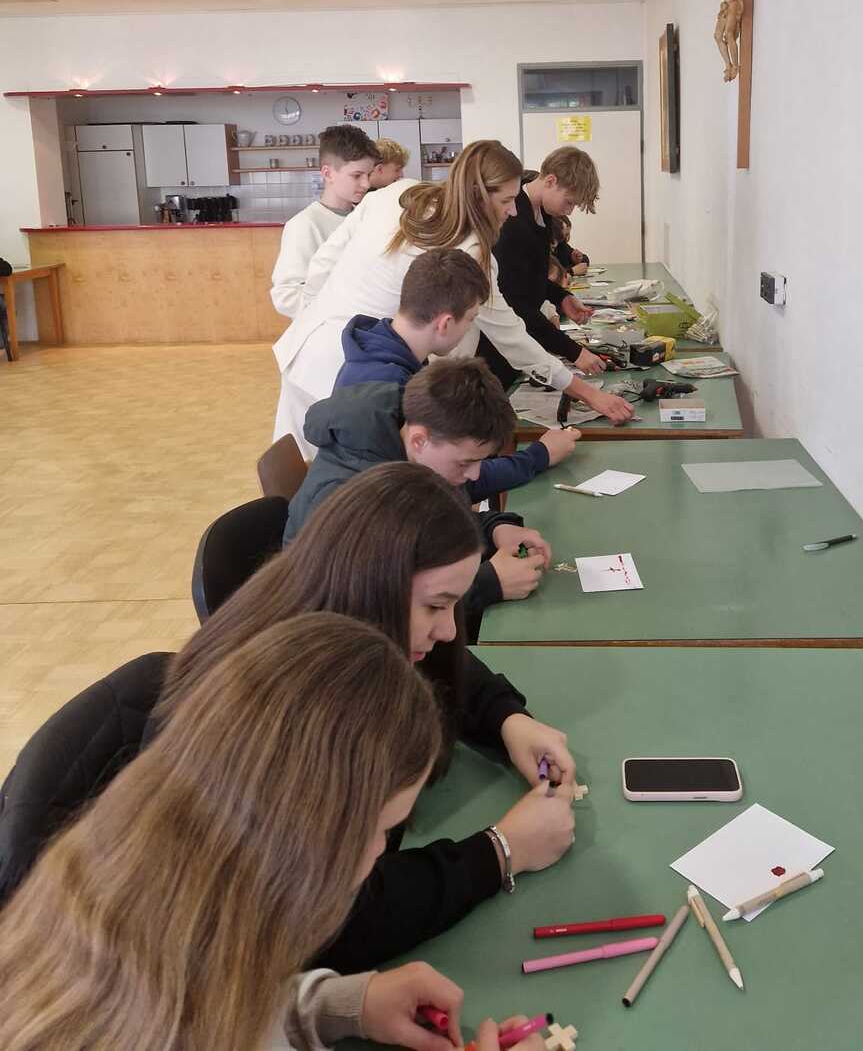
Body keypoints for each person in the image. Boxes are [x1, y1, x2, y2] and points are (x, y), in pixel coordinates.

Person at [0, 609, 548, 1051]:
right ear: (313, 840)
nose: (383, 851)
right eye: (384, 829)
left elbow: (231, 999)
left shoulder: (171, 901)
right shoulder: (147, 1025)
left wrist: (341, 1006)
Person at [156, 465, 578, 976]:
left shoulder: (342, 606)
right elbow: (333, 919)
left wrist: (508, 720)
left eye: (455, 603)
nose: (449, 629)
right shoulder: (295, 709)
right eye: (436, 606)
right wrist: (502, 850)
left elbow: (444, 663)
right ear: (375, 585)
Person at [272, 140, 633, 455]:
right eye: (507, 200)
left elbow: (324, 263)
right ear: (479, 195)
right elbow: (512, 336)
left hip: (309, 350)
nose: (512, 211)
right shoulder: (471, 250)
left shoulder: (400, 192)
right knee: (342, 494)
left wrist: (314, 314)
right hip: (354, 379)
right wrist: (588, 393)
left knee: (302, 486)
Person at [285, 360, 564, 630]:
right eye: (465, 463)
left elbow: (431, 528)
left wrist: (494, 529)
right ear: (420, 440)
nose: (475, 474)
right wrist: (488, 583)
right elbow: (367, 610)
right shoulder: (354, 498)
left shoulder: (409, 446)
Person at [335, 248, 579, 499]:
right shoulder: (388, 388)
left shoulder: (384, 356)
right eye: (471, 319)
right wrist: (538, 456)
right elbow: (447, 481)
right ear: (446, 323)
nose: (470, 328)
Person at [480, 148, 603, 389]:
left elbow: (530, 277)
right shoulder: (513, 221)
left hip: (521, 334)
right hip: (497, 346)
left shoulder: (541, 214)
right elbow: (515, 301)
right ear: (550, 181)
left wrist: (561, 297)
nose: (569, 211)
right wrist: (573, 351)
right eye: (569, 202)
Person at [270, 125, 376, 319]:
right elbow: (286, 297)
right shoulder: (304, 225)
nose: (366, 184)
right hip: (331, 331)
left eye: (369, 175)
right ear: (328, 174)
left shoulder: (365, 217)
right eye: (357, 175)